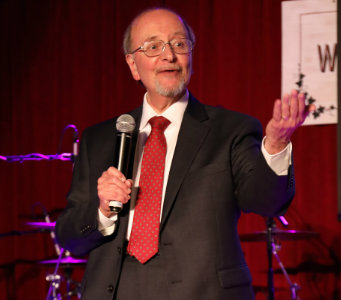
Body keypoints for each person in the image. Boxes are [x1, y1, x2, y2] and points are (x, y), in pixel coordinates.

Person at [56, 7, 314, 300]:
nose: (169, 55)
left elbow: (268, 201)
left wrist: (277, 144)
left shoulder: (230, 129)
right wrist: (102, 211)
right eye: (154, 46)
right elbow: (69, 237)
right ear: (132, 64)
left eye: (179, 44)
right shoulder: (99, 139)